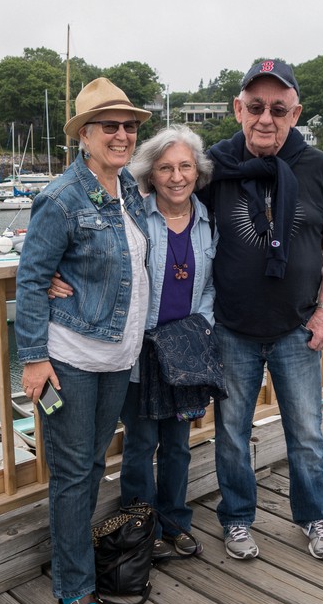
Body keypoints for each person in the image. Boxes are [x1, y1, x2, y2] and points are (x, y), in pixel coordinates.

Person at [14, 77, 151, 604]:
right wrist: (32, 358)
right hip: (67, 358)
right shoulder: (61, 196)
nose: (122, 135)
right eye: (109, 127)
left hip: (118, 355)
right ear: (84, 136)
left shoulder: (131, 192)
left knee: (94, 465)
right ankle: (74, 588)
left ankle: (78, 562)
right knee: (74, 474)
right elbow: (30, 277)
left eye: (129, 127)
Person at [199, 59, 323, 561]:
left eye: (279, 108)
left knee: (306, 432)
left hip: (297, 326)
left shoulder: (318, 167)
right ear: (238, 108)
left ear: (295, 112)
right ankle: (238, 519)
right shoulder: (212, 166)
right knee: (231, 435)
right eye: (257, 106)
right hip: (231, 328)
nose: (266, 118)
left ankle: (315, 515)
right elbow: (158, 206)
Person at [49, 125, 219, 560]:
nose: (176, 176)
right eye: (165, 168)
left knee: (178, 444)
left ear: (197, 173)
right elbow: (98, 257)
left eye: (185, 167)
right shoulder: (135, 215)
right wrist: (54, 275)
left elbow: (214, 285)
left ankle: (175, 521)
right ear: (150, 175)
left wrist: (201, 326)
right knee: (141, 445)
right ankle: (139, 526)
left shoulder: (208, 220)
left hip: (185, 355)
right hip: (139, 350)